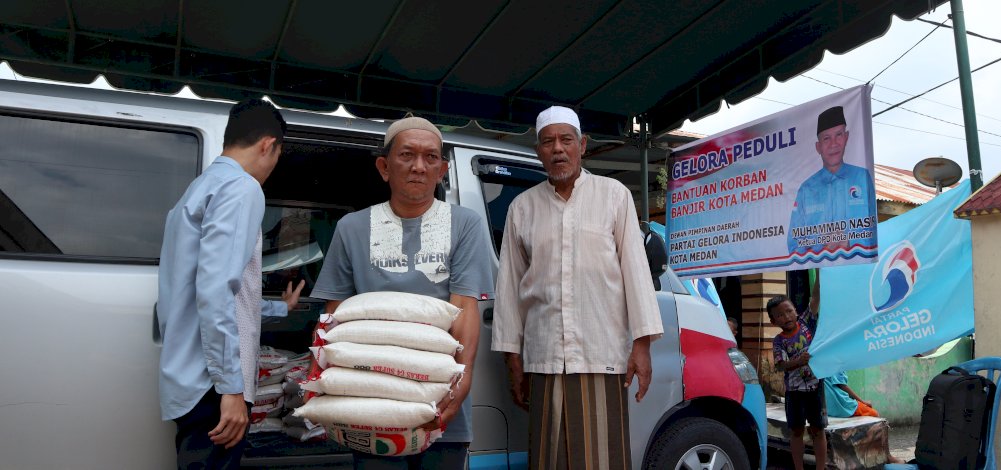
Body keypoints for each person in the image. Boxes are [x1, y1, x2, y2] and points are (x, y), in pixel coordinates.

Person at [310, 116, 491, 469]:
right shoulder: (352, 228)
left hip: (439, 400)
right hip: (369, 402)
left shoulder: (465, 224)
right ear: (384, 167)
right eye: (407, 155)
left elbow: (465, 307)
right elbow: (334, 314)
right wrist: (328, 382)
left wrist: (459, 385)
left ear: (442, 170)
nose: (419, 167)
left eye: (431, 158)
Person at [492, 105, 665, 469]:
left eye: (566, 140)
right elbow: (508, 288)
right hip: (544, 357)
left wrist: (642, 345)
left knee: (603, 457)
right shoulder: (522, 208)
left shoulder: (613, 195)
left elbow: (636, 271)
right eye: (548, 142)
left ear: (582, 145)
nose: (558, 149)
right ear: (538, 151)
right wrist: (513, 358)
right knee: (548, 457)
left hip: (602, 354)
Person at [158, 98, 305, 470]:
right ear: (269, 145)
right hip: (212, 384)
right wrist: (231, 388)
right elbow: (215, 289)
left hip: (188, 376)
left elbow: (209, 286)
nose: (272, 167)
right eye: (277, 156)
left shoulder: (198, 190)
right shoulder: (243, 188)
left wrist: (278, 307)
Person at [787, 106, 875, 256]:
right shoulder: (806, 189)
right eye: (826, 138)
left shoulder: (862, 177)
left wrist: (850, 244)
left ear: (846, 137)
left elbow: (875, 231)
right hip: (821, 274)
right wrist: (820, 251)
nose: (834, 144)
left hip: (859, 271)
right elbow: (793, 244)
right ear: (818, 147)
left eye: (839, 135)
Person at [768, 274, 825, 470]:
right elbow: (779, 365)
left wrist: (819, 273)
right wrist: (798, 361)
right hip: (793, 392)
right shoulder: (779, 340)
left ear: (795, 310)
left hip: (815, 386)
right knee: (796, 431)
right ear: (773, 320)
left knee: (818, 429)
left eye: (789, 311)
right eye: (780, 315)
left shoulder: (806, 321)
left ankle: (820, 467)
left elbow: (816, 297)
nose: (786, 317)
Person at [824, 373, 905, 464]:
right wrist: (862, 401)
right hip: (842, 406)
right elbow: (841, 385)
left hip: (828, 408)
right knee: (875, 414)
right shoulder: (836, 362)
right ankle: (888, 456)